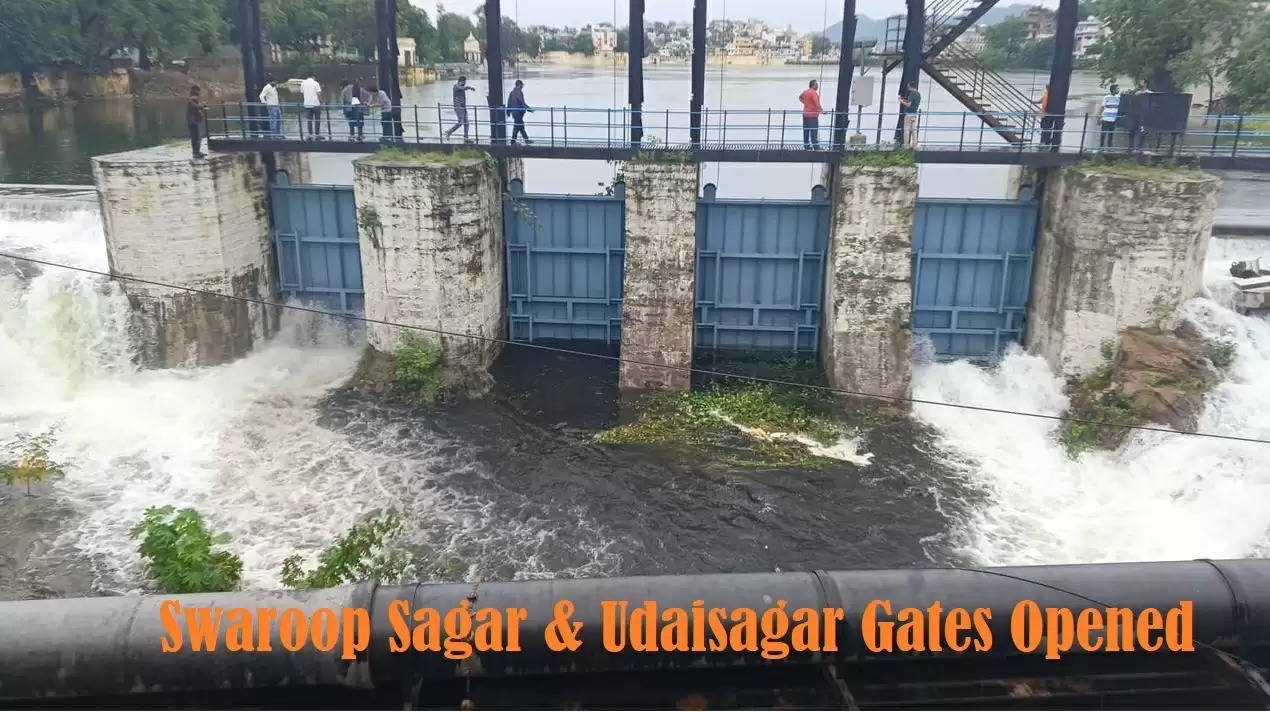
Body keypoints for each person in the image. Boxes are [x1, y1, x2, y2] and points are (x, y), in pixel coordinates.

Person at [444, 76, 477, 141]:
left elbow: (463, 88)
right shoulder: (456, 86)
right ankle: (449, 132)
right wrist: (469, 87)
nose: (465, 83)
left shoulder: (461, 87)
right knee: (460, 122)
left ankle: (466, 138)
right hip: (458, 107)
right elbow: (462, 88)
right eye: (464, 81)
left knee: (466, 123)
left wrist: (468, 88)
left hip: (463, 107)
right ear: (461, 81)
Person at [798, 79, 822, 149]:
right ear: (813, 85)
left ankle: (806, 145)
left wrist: (805, 103)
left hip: (805, 114)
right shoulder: (813, 93)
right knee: (813, 131)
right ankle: (816, 146)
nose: (818, 86)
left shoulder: (806, 92)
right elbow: (817, 104)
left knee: (806, 130)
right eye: (816, 84)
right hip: (812, 116)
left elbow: (800, 97)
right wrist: (822, 110)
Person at [507, 79, 533, 144]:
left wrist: (508, 112)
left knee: (520, 126)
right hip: (518, 112)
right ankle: (513, 141)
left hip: (514, 113)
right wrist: (529, 109)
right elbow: (522, 102)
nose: (522, 87)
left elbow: (509, 103)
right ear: (519, 85)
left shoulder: (512, 93)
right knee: (517, 126)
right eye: (522, 85)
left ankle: (526, 140)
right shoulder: (519, 92)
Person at [898, 81, 921, 148]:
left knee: (906, 130)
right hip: (914, 114)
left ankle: (906, 145)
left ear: (911, 87)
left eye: (908, 87)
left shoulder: (912, 94)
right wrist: (905, 100)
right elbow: (913, 103)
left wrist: (901, 101)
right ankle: (915, 144)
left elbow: (909, 105)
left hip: (908, 114)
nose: (908, 88)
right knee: (914, 130)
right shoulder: (918, 94)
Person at [300, 75, 322, 140]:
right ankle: (317, 135)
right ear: (313, 77)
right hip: (315, 104)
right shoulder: (316, 83)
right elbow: (319, 94)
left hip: (307, 105)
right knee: (317, 120)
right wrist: (321, 101)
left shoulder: (303, 83)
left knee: (309, 120)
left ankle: (310, 135)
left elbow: (302, 92)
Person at [187, 85, 206, 159]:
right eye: (198, 91)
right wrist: (202, 105)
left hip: (193, 120)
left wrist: (202, 107)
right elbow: (196, 107)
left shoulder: (193, 99)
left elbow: (196, 108)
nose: (199, 93)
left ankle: (197, 152)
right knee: (196, 137)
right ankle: (196, 153)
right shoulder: (192, 99)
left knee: (196, 137)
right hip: (194, 121)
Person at [1099, 83, 1121, 150]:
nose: (1118, 90)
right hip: (1105, 119)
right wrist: (1099, 117)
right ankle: (1101, 148)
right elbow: (1102, 107)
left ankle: (1109, 148)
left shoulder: (1119, 97)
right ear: (1113, 90)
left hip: (1113, 119)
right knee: (1103, 134)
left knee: (1111, 134)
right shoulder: (1106, 97)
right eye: (1117, 89)